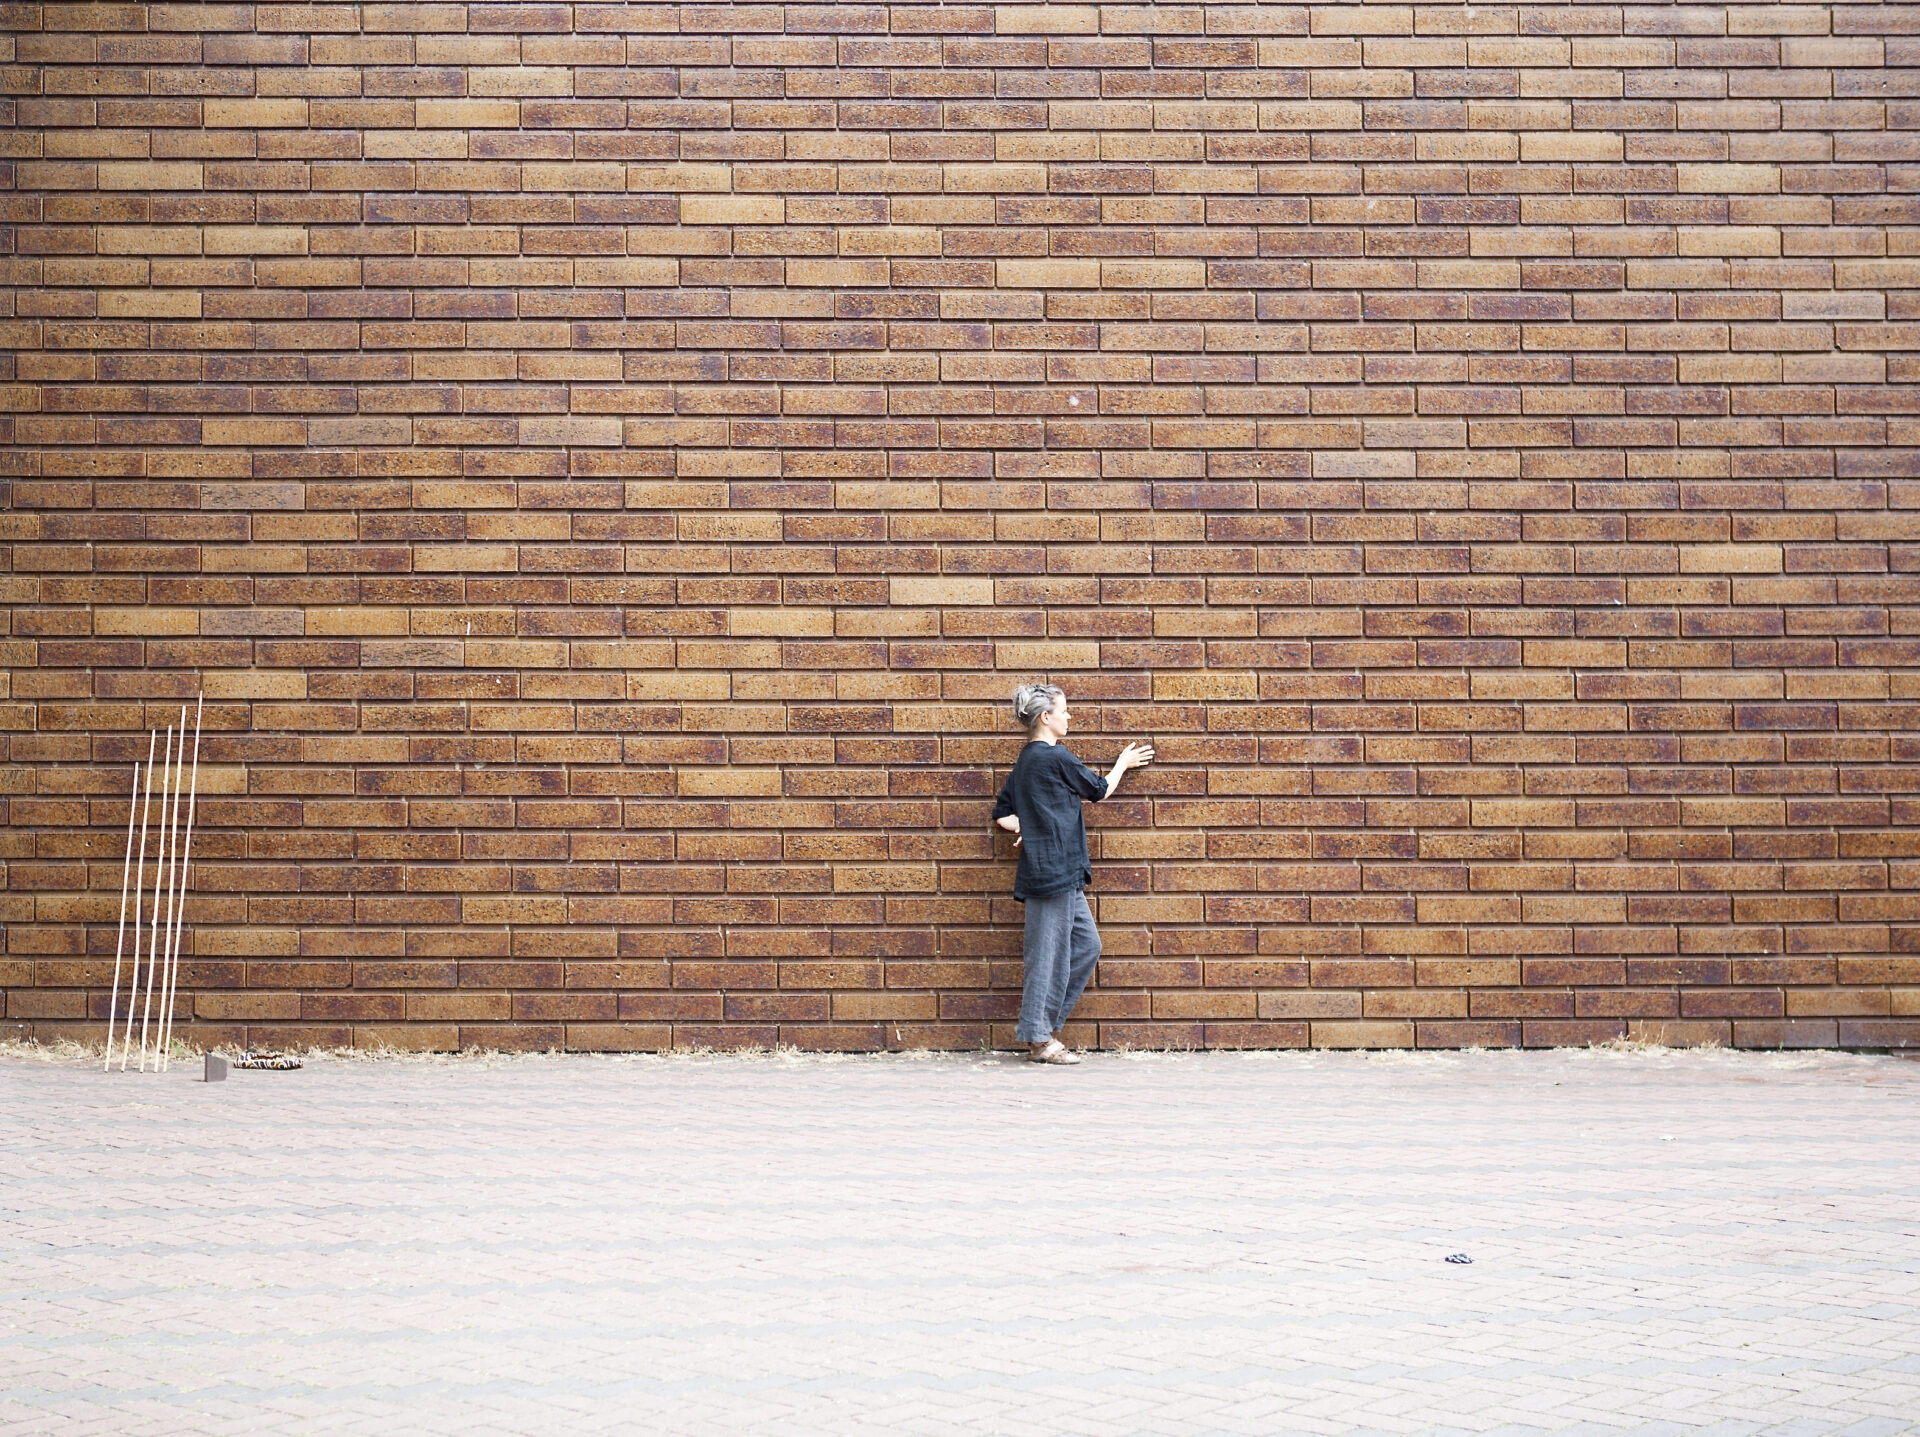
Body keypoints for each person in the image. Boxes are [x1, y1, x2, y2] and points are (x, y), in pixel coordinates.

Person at [990, 684, 1154, 1064]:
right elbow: (1098, 790)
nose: (1069, 717)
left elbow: (1003, 814)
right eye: (1064, 711)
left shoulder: (1026, 761)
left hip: (1061, 871)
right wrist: (1122, 765)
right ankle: (1039, 1038)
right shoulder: (1053, 756)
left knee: (1087, 946)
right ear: (1045, 717)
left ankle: (1042, 1028)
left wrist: (1027, 829)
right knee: (1045, 957)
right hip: (1052, 872)